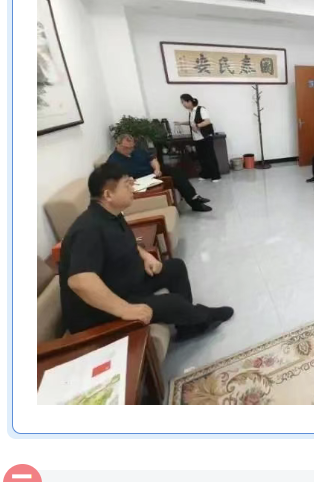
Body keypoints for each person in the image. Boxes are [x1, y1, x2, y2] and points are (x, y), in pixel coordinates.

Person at [59, 163, 234, 339]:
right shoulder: (87, 230)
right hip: (100, 310)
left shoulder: (111, 215)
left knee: (175, 268)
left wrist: (145, 256)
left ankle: (188, 327)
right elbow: (80, 281)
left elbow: (123, 242)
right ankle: (202, 316)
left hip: (124, 283)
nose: (132, 188)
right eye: (127, 185)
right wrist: (125, 309)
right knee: (172, 303)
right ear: (108, 195)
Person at [108, 133, 212, 212]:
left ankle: (194, 197)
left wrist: (157, 169)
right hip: (141, 182)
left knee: (176, 171)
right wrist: (128, 180)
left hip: (153, 174)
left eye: (131, 147)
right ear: (118, 145)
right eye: (126, 148)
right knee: (175, 178)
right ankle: (195, 203)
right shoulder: (113, 160)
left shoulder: (137, 151)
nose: (129, 150)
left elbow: (152, 159)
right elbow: (116, 180)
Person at [180, 93, 221, 182]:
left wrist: (197, 126)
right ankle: (205, 174)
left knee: (210, 157)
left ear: (189, 101)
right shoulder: (191, 112)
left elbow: (207, 121)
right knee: (202, 158)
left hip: (205, 137)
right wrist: (180, 123)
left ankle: (216, 176)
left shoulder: (201, 109)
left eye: (183, 102)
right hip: (197, 138)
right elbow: (192, 123)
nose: (182, 104)